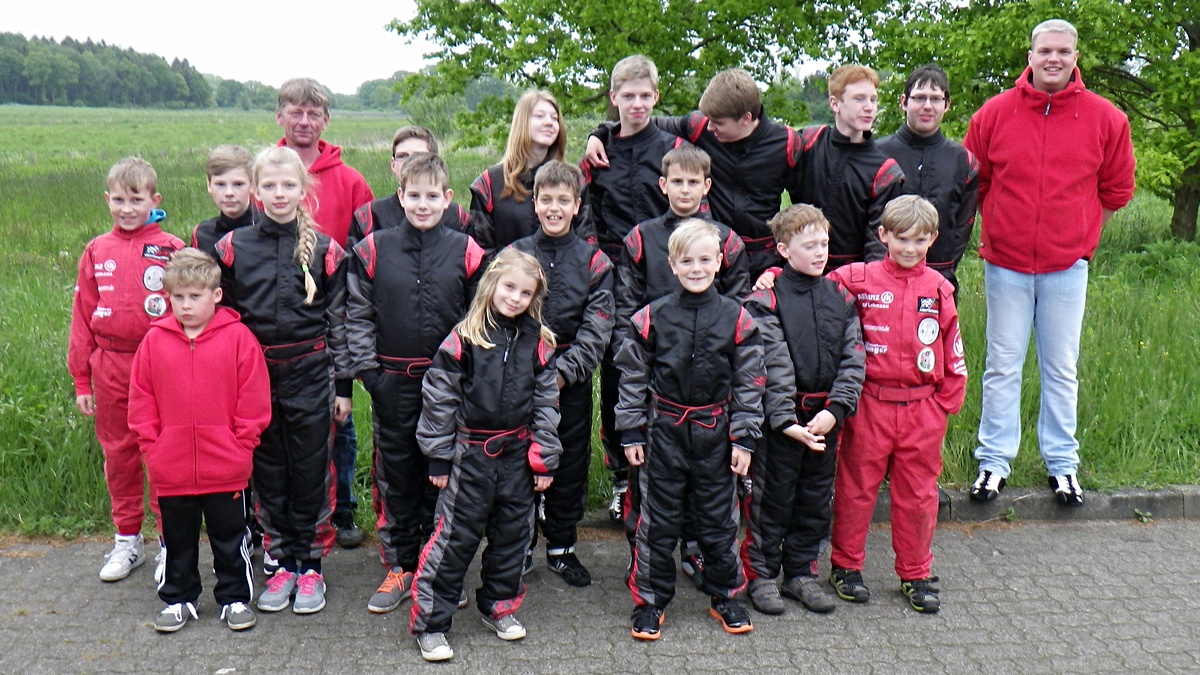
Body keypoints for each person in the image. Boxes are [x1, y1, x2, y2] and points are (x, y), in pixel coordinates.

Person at [963, 19, 1136, 506]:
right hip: (1006, 265)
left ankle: (1062, 465)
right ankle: (993, 463)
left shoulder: (1106, 118)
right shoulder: (994, 114)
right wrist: (997, 225)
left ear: (1075, 55)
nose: (1053, 59)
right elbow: (974, 182)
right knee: (1002, 365)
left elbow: (1117, 189)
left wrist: (1081, 235)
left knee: (1061, 368)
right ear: (1031, 54)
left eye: (1063, 50)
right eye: (1045, 50)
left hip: (1067, 268)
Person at [345, 152, 486, 614]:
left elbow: (478, 318)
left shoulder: (467, 251)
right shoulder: (372, 249)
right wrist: (370, 374)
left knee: (443, 477)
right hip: (394, 383)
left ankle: (439, 566)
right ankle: (402, 565)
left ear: (447, 199)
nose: (422, 204)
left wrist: (468, 373)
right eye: (413, 195)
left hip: (449, 388)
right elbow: (357, 316)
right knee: (398, 477)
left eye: (432, 196)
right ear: (400, 196)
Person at [215, 146, 352, 615]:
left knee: (312, 469)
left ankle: (311, 564)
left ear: (303, 190)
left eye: (287, 185)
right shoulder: (233, 248)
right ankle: (280, 563)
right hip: (254, 377)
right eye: (269, 186)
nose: (278, 194)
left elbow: (341, 323)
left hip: (313, 374)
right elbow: (224, 319)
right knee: (268, 469)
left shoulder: (327, 250)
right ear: (256, 192)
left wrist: (344, 387)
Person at [614, 219, 764, 640]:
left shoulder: (738, 318)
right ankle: (650, 601)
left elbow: (751, 383)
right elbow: (631, 378)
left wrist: (744, 437)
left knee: (719, 522)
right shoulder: (650, 318)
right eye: (687, 261)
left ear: (719, 263)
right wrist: (631, 432)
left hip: (717, 434)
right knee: (657, 523)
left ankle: (726, 597)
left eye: (704, 260)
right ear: (672, 265)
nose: (696, 268)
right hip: (663, 433)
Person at [409, 248, 561, 663]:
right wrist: (439, 456)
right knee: (454, 539)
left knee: (513, 535)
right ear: (492, 283)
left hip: (517, 454)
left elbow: (547, 402)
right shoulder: (465, 337)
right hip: (469, 455)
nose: (515, 297)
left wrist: (544, 456)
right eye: (509, 287)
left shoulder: (539, 343)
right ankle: (433, 624)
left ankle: (499, 605)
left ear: (535, 298)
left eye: (525, 293)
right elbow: (439, 397)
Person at [825, 195, 967, 614]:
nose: (910, 248)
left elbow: (952, 348)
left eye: (920, 240)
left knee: (919, 495)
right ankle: (845, 566)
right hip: (870, 405)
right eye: (902, 239)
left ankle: (915, 572)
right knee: (855, 488)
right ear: (883, 235)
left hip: (923, 409)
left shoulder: (939, 289)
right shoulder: (858, 278)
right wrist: (773, 274)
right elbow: (808, 282)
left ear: (933, 240)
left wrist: (944, 405)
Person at [614, 144, 749, 576]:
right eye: (677, 181)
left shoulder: (727, 240)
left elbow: (738, 306)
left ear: (706, 187)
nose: (685, 189)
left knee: (708, 487)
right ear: (663, 185)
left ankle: (697, 549)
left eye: (694, 182)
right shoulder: (640, 237)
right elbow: (625, 306)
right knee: (655, 484)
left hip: (710, 379)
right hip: (658, 372)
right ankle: (647, 561)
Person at [128, 248, 271, 633]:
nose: (186, 305)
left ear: (216, 295)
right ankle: (178, 598)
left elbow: (254, 400)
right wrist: (153, 450)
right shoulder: (154, 342)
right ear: (168, 297)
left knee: (231, 538)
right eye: (178, 297)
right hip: (171, 468)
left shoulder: (240, 339)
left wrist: (241, 446)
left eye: (195, 296)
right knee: (177, 540)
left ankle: (235, 598)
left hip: (227, 466)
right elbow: (141, 401)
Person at [740, 204, 864, 616]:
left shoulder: (841, 296)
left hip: (825, 421)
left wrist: (837, 409)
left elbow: (854, 358)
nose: (819, 252)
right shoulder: (765, 299)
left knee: (814, 500)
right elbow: (770, 362)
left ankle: (800, 573)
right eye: (808, 245)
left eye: (824, 244)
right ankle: (760, 576)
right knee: (771, 502)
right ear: (782, 249)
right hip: (782, 425)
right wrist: (785, 420)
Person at [580, 55, 686, 522]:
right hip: (613, 273)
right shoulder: (598, 152)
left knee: (668, 367)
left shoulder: (673, 146)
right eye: (628, 96)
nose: (637, 104)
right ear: (613, 98)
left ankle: (665, 467)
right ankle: (622, 474)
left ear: (656, 98)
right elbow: (585, 211)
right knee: (617, 370)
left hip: (665, 269)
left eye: (645, 96)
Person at [68, 157, 182, 583]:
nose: (127, 208)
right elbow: (82, 316)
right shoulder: (96, 250)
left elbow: (193, 305)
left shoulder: (173, 246)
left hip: (160, 362)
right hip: (110, 365)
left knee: (163, 452)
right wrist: (82, 376)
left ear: (155, 200)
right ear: (107, 200)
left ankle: (171, 543)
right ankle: (127, 539)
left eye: (136, 199)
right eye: (119, 200)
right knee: (120, 454)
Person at [276, 77, 374, 548]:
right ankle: (282, 514)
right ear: (280, 117)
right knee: (279, 425)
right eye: (295, 111)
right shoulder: (268, 171)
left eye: (313, 113)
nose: (304, 120)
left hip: (334, 314)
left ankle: (344, 510)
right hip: (277, 318)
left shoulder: (351, 180)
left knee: (339, 416)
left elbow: (367, 246)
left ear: (325, 121)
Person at [586, 68, 804, 277]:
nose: (710, 128)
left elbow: (800, 206)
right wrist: (600, 133)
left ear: (745, 119)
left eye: (718, 123)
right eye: (708, 120)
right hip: (713, 250)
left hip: (764, 258)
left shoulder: (787, 143)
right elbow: (640, 123)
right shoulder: (700, 126)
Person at [511, 160, 614, 587]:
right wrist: (525, 370)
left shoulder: (594, 261)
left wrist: (564, 374)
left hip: (568, 382)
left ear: (576, 206)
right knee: (518, 464)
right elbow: (495, 314)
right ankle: (517, 548)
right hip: (516, 381)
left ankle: (561, 546)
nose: (554, 208)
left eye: (563, 201)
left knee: (568, 463)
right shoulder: (514, 256)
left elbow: (600, 324)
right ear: (534, 203)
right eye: (546, 200)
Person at [877, 65, 980, 295]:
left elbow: (963, 224)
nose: (927, 106)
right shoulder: (876, 154)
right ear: (904, 102)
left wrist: (943, 269)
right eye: (919, 97)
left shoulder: (963, 160)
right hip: (883, 281)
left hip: (938, 278)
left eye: (935, 99)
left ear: (946, 105)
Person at [792, 65, 906, 272]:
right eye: (859, 99)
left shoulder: (884, 171)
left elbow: (877, 243)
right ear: (835, 103)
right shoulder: (809, 143)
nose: (869, 107)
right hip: (797, 267)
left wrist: (867, 285)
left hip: (852, 276)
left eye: (873, 99)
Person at [470, 90, 578, 252]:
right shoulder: (490, 183)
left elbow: (586, 244)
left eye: (555, 118)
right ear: (522, 122)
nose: (549, 122)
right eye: (540, 116)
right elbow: (480, 250)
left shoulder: (574, 180)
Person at [346, 126, 472, 248]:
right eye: (402, 156)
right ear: (393, 165)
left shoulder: (458, 218)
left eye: (419, 155)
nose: (410, 161)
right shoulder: (371, 216)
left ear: (434, 161)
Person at [192, 145, 260, 257]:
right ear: (209, 185)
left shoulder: (267, 229)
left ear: (252, 185)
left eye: (238, 184)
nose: (229, 193)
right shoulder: (202, 233)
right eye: (220, 184)